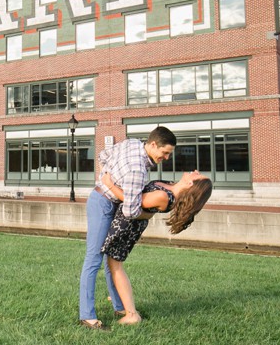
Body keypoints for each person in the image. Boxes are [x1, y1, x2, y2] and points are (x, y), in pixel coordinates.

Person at [78, 126, 177, 330]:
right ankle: (87, 316)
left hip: (105, 199)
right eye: (164, 152)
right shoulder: (137, 170)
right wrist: (150, 214)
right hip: (103, 204)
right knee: (94, 258)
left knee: (109, 258)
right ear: (152, 144)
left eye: (169, 153)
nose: (166, 157)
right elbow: (131, 211)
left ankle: (120, 306)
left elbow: (103, 155)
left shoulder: (132, 142)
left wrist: (106, 177)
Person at [99, 171, 212, 325]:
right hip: (125, 221)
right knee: (112, 265)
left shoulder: (166, 197)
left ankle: (132, 314)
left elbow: (131, 202)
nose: (195, 172)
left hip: (125, 227)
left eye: (197, 175)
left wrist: (109, 183)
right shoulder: (171, 187)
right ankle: (121, 304)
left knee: (115, 266)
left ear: (192, 184)